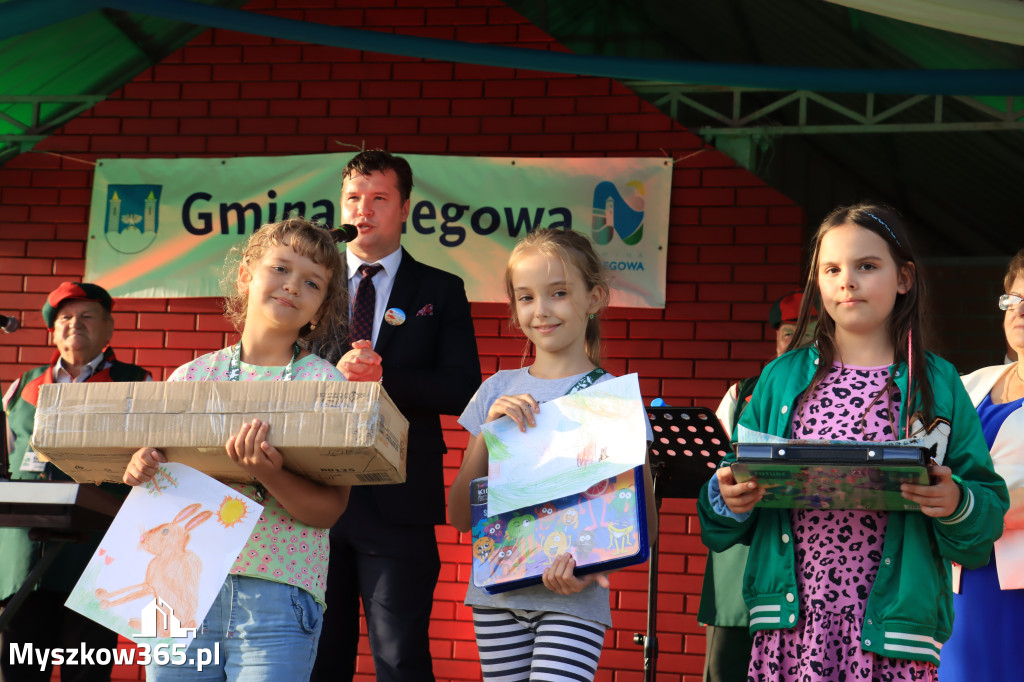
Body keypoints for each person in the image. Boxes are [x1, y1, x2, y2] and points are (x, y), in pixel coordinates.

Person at [698, 203, 1008, 681]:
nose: (848, 280)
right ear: (817, 283)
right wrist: (731, 495)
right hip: (789, 628)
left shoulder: (940, 382)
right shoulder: (779, 378)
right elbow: (718, 515)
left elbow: (985, 515)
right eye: (832, 268)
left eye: (867, 266)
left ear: (903, 278)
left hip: (894, 632)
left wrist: (953, 500)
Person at [122, 218, 369, 680]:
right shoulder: (191, 379)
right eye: (280, 268)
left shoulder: (325, 385)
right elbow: (161, 498)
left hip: (276, 599)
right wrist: (143, 469)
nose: (293, 286)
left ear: (320, 308)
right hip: (181, 598)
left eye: (312, 283)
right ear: (245, 276)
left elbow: (330, 510)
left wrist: (272, 474)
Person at [448, 228, 657, 682]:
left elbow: (642, 523)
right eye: (525, 297)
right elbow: (461, 517)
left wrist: (586, 570)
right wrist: (488, 436)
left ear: (594, 297)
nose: (540, 310)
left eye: (558, 293)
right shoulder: (496, 390)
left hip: (574, 600)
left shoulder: (612, 398)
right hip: (496, 599)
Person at [311, 151, 481, 682]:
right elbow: (280, 370)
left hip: (399, 495)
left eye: (379, 199)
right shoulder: (311, 283)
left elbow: (462, 388)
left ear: (405, 208)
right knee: (319, 654)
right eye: (354, 199)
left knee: (401, 655)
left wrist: (385, 379)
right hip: (312, 489)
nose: (364, 211)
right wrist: (330, 372)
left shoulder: (440, 289)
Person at [0, 282, 151, 682]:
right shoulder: (21, 388)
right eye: (65, 318)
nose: (74, 325)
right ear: (53, 331)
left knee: (86, 675)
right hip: (22, 561)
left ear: (109, 329)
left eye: (87, 317)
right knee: (18, 673)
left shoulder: (137, 383)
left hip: (96, 562)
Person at [701, 291, 817, 682]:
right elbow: (713, 477)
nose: (797, 343)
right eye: (789, 334)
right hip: (739, 559)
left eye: (810, 333)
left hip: (808, 563)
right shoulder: (742, 394)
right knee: (726, 668)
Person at [940, 248, 1024, 680]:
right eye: (1013, 299)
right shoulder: (968, 383)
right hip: (955, 577)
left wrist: (948, 502)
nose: (1019, 312)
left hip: (1015, 587)